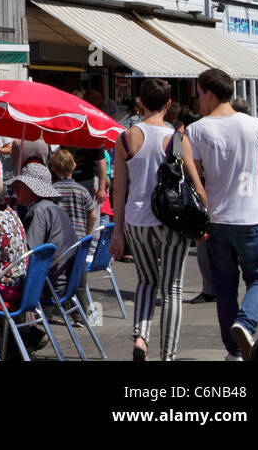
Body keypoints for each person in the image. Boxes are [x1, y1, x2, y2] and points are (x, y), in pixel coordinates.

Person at [187, 68, 258, 360]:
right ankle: (245, 323)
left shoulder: (197, 130)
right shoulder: (255, 125)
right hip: (251, 218)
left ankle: (233, 352)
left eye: (200, 94)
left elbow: (196, 178)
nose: (198, 100)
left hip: (216, 219)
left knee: (225, 286)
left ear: (209, 93)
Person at [110, 77, 207, 362]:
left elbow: (119, 188)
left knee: (146, 281)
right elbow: (195, 182)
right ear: (168, 104)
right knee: (172, 288)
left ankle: (141, 336)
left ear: (140, 102)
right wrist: (204, 218)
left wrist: (118, 232)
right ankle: (169, 354)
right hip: (172, 220)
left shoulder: (125, 137)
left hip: (136, 220)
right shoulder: (176, 139)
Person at [12, 163, 78, 299]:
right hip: (67, 281)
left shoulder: (38, 211)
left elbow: (29, 254)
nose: (15, 191)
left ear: (31, 189)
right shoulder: (56, 209)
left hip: (48, 286)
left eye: (19, 186)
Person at [48, 149, 97, 239]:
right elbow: (93, 215)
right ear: (74, 166)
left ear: (54, 168)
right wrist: (87, 233)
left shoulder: (51, 191)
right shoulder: (82, 191)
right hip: (78, 241)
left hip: (58, 241)